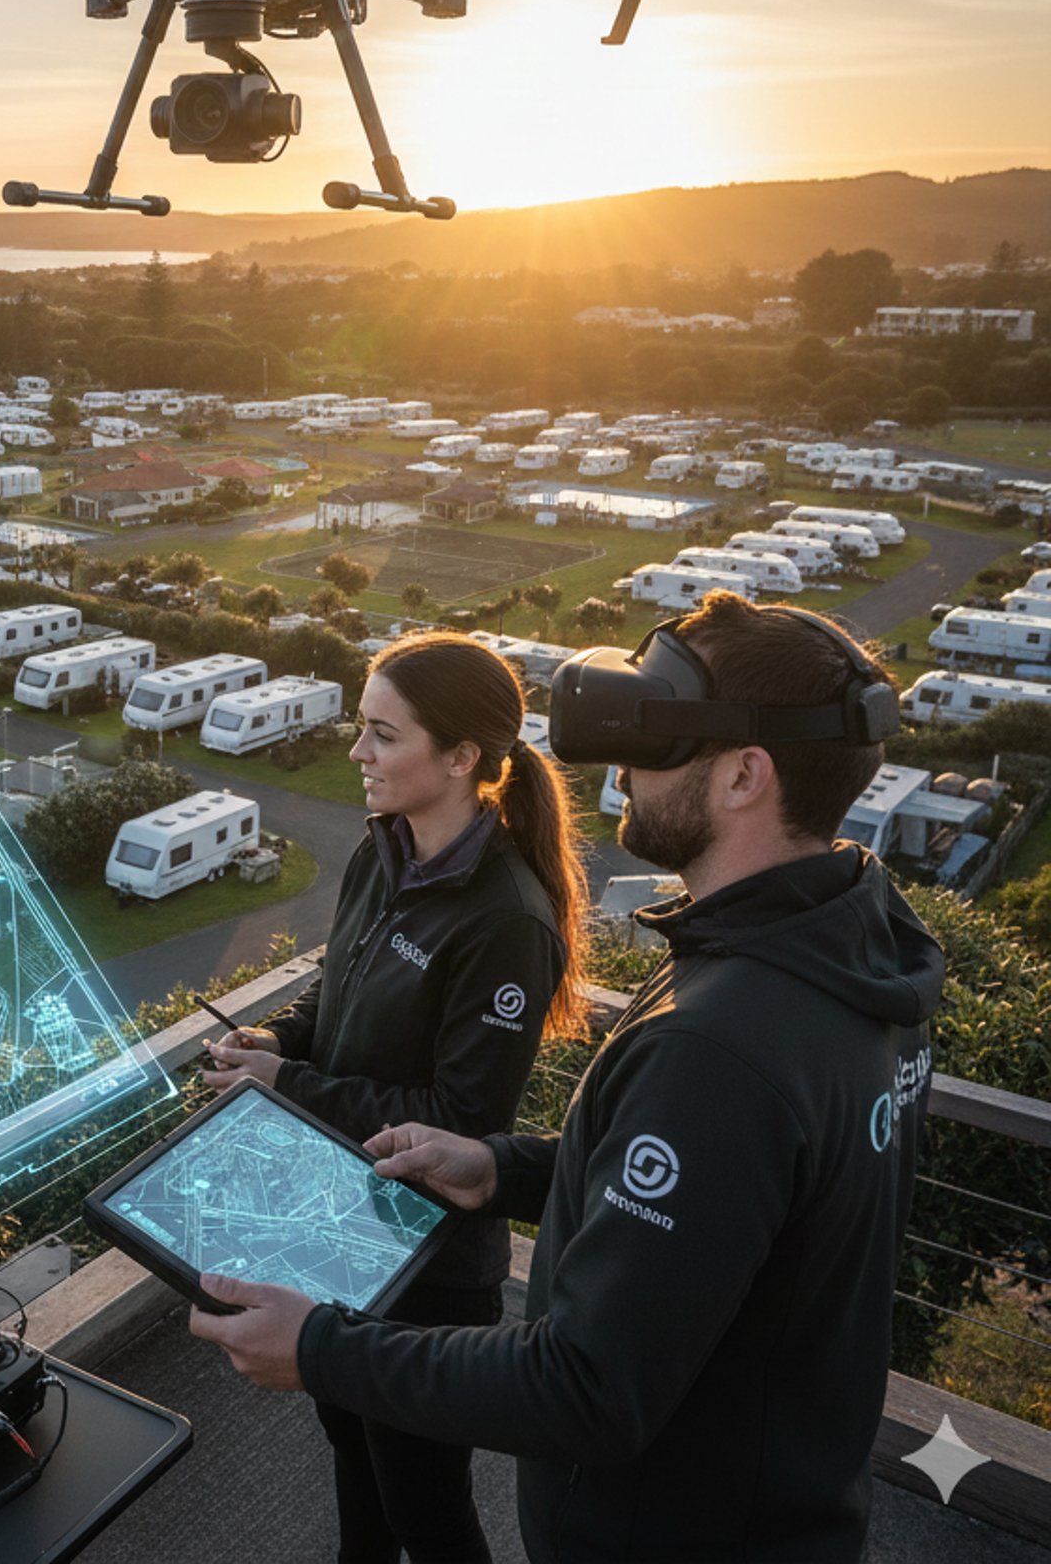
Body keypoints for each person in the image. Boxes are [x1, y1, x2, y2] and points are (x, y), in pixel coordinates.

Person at [191, 592, 944, 1563]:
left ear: (744, 775)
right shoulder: (841, 957)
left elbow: (586, 1387)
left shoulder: (721, 1043)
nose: (623, 770)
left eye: (655, 740)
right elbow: (727, 1196)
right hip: (776, 1505)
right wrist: (499, 1169)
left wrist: (319, 1349)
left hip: (671, 1533)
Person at [202, 630, 588, 1563]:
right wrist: (278, 1039)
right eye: (360, 727)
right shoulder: (382, 852)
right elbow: (334, 987)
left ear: (460, 757)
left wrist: (290, 1084)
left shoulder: (508, 920)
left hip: (429, 1267)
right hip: (336, 1222)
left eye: (382, 734)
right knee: (350, 1447)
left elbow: (459, 1123)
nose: (357, 752)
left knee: (426, 1506)